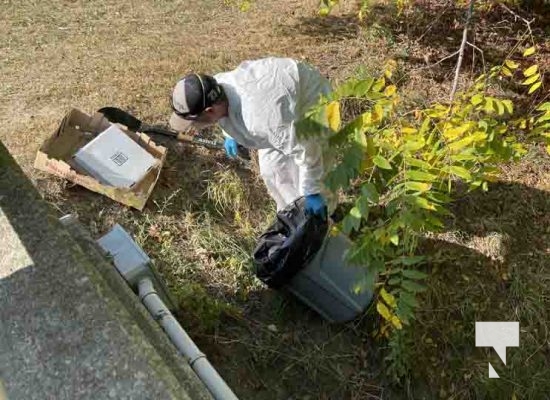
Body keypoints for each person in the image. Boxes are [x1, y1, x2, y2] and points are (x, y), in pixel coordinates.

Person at [169, 57, 333, 219]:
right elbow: (224, 110)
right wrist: (229, 135)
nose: (194, 127)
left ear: (209, 111)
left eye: (194, 121)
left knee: (314, 175)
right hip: (275, 105)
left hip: (309, 99)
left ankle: (325, 222)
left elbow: (307, 150)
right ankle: (294, 217)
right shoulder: (217, 86)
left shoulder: (261, 119)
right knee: (272, 171)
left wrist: (312, 192)